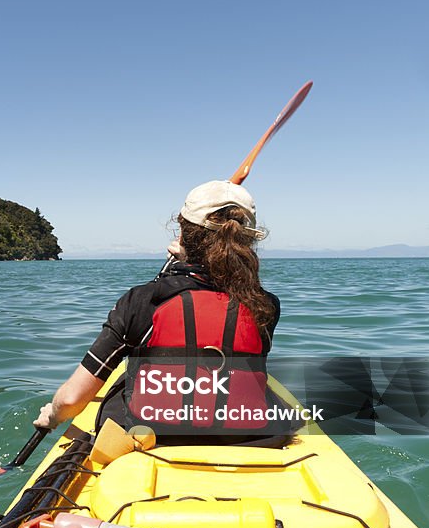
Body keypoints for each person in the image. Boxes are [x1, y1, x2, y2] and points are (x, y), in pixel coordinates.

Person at [34, 180, 282, 440]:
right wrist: (188, 261)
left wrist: (52, 414)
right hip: (242, 440)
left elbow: (71, 399)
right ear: (247, 243)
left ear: (183, 234)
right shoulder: (266, 305)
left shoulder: (141, 301)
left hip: (155, 439)